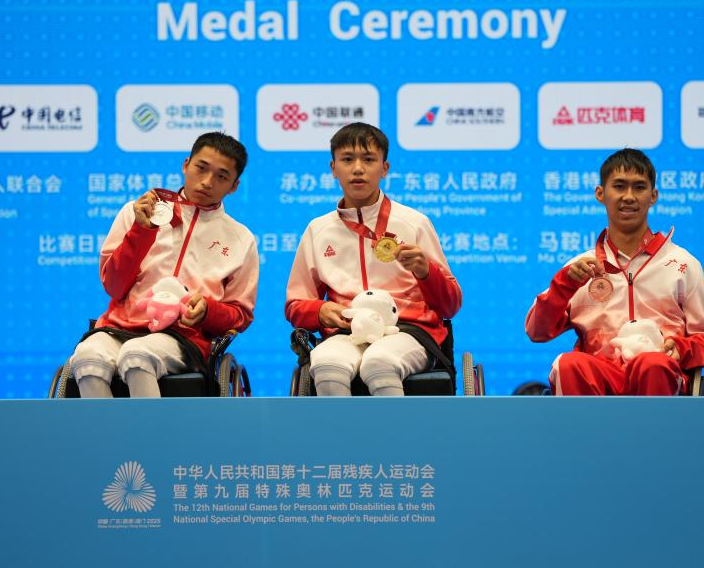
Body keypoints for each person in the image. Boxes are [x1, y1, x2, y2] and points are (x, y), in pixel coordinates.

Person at [70, 132, 258, 397]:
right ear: (186, 165)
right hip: (118, 329)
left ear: (234, 186)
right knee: (87, 357)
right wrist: (141, 231)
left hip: (184, 340)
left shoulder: (240, 238)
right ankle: (106, 426)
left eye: (221, 176)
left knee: (137, 355)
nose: (207, 182)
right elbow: (113, 286)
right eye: (201, 168)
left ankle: (149, 427)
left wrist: (207, 310)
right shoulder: (139, 212)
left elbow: (240, 315)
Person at [525, 148, 704, 395]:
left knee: (653, 363)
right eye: (619, 186)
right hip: (599, 380)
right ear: (601, 194)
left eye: (639, 187)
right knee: (569, 364)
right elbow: (536, 331)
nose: (629, 196)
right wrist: (564, 284)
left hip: (658, 376)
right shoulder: (579, 268)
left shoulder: (681, 264)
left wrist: (681, 348)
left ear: (653, 196)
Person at [285, 123, 461, 396]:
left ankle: (390, 427)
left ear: (384, 168)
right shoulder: (318, 230)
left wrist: (426, 272)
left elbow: (450, 306)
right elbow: (295, 305)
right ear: (333, 168)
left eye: (368, 159)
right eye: (347, 159)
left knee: (379, 362)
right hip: (348, 333)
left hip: (407, 331)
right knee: (326, 364)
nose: (358, 168)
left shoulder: (414, 223)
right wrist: (320, 311)